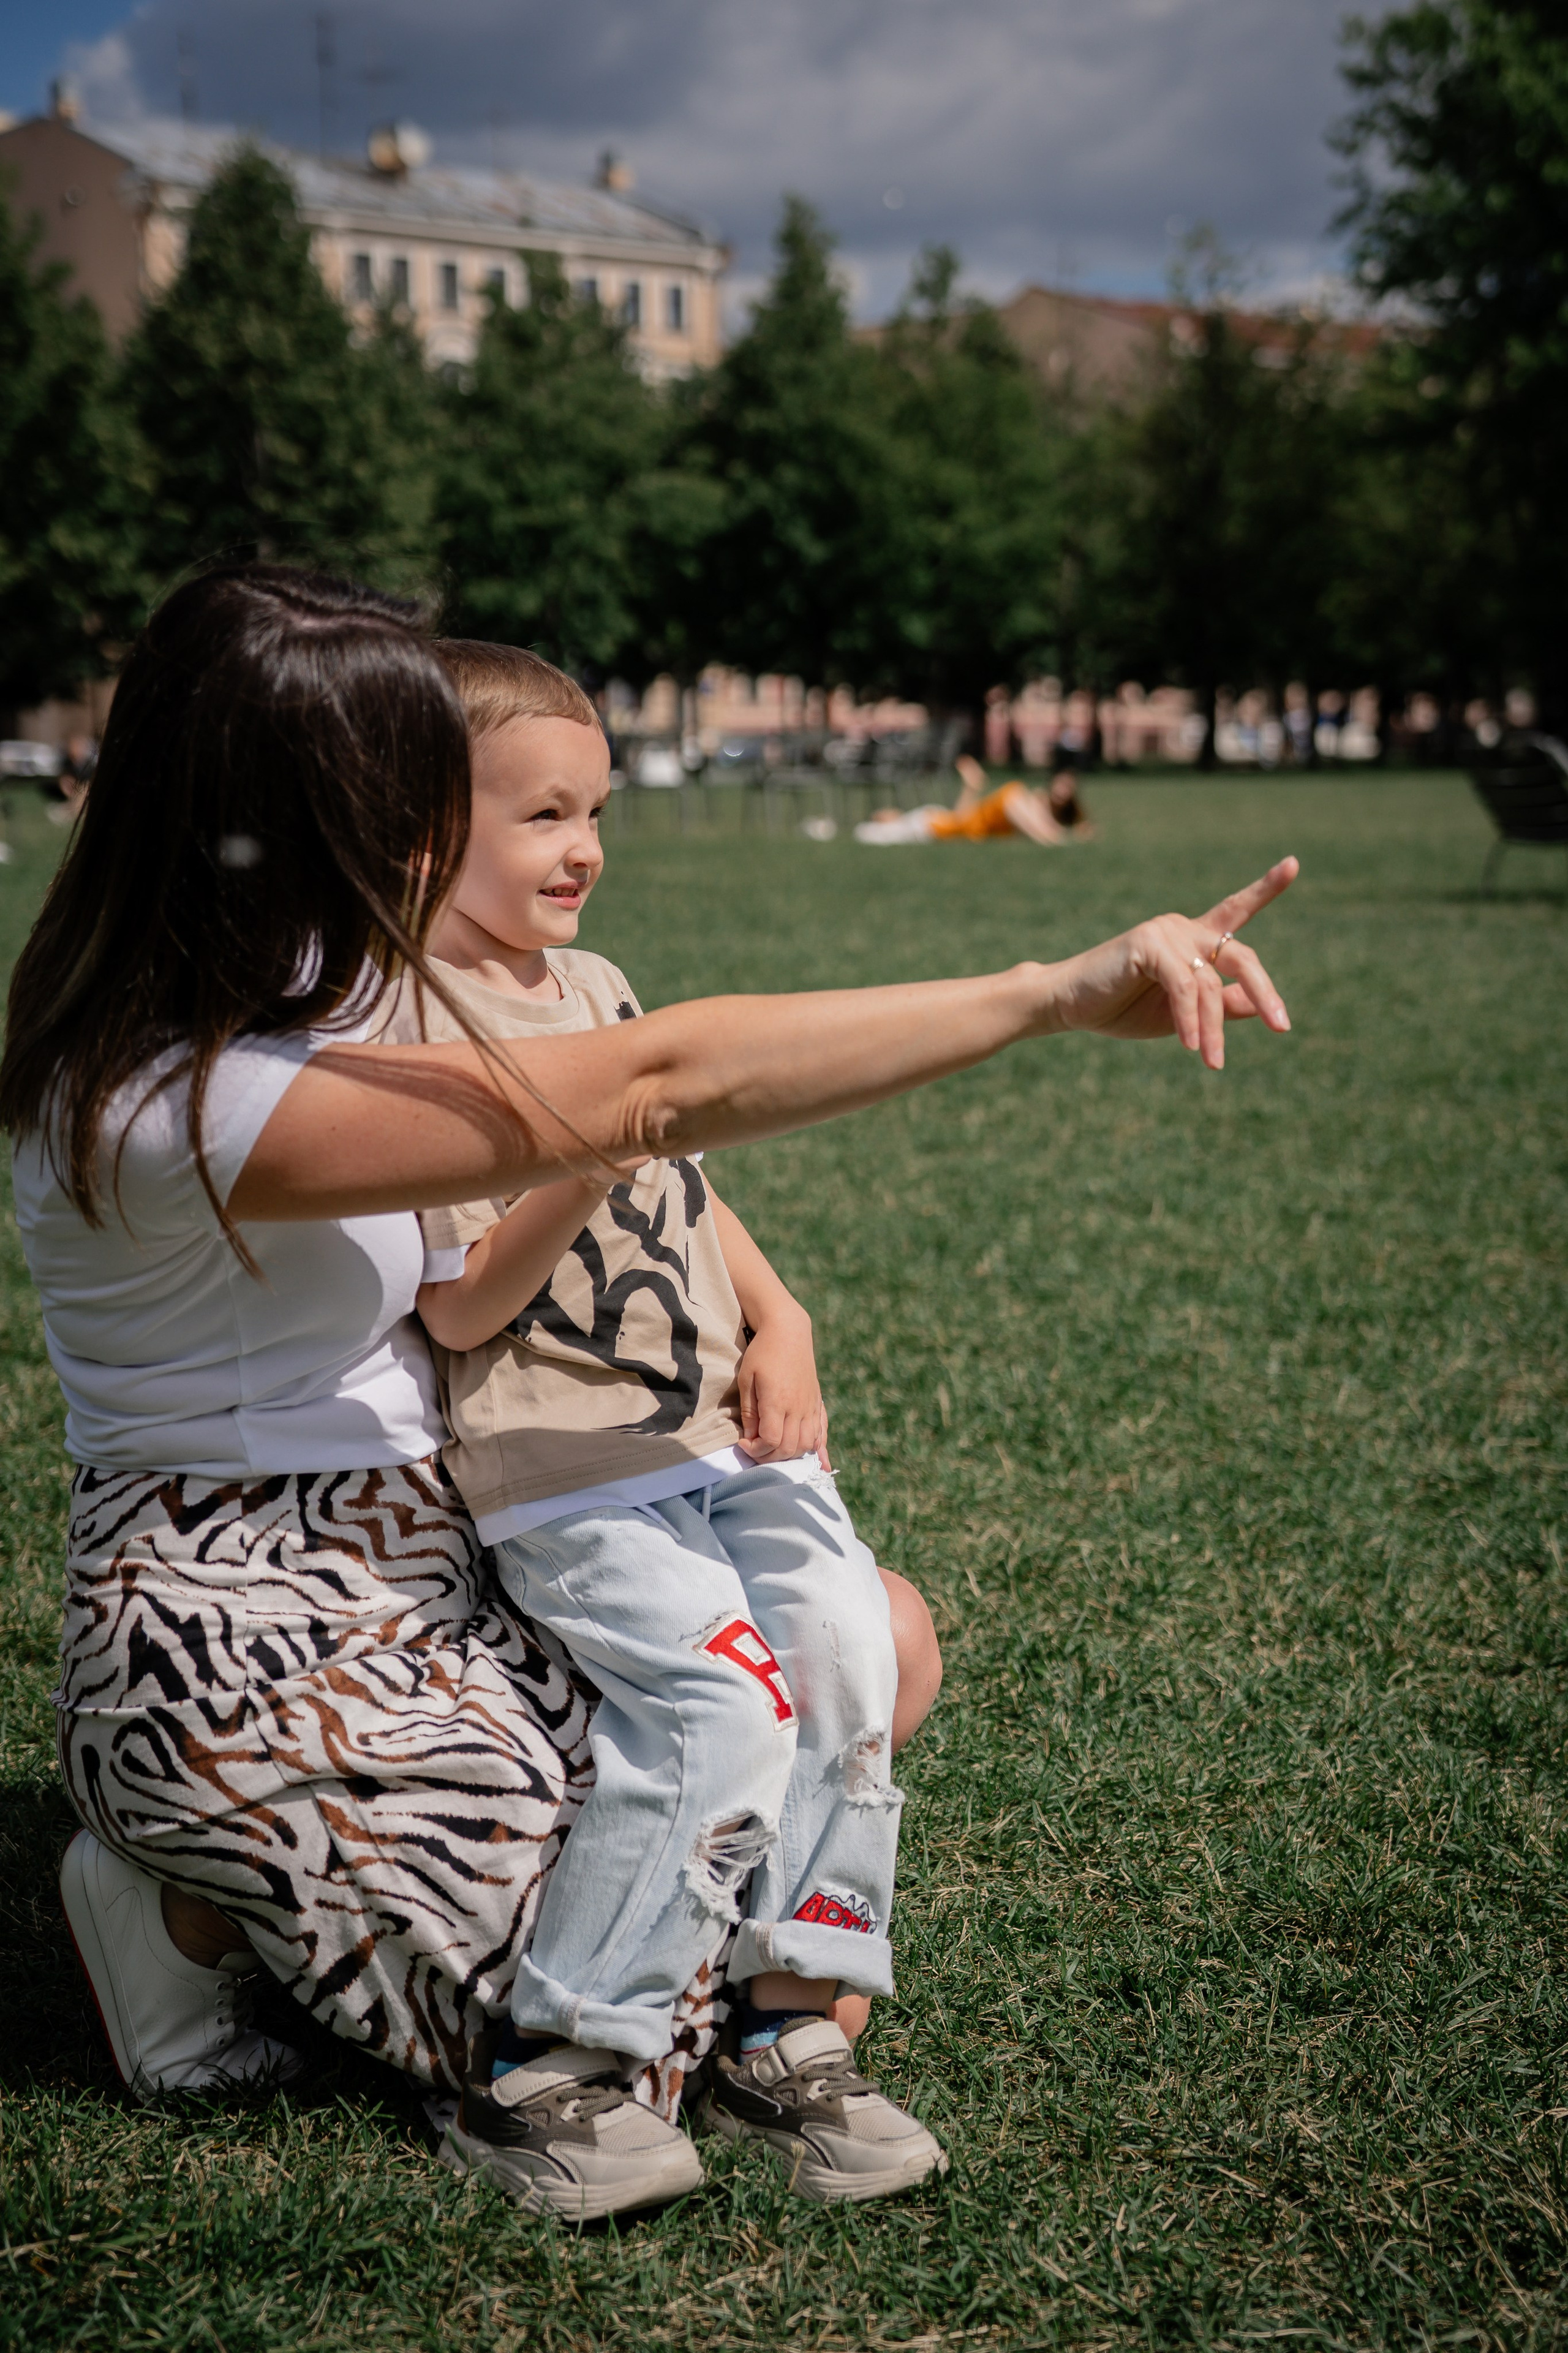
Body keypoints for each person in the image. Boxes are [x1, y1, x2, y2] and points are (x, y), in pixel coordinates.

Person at [0, 565, 1295, 2224]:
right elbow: (651, 1086)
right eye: (402, 785)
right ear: (290, 806)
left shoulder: (319, 962)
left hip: (449, 1547)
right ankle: (182, 1893)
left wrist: (777, 1307)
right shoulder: (171, 1095)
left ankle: (269, 1890)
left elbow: (628, 1132)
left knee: (862, 1652)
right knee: (643, 2015)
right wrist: (1048, 992)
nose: (437, 822)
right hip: (244, 1620)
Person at [390, 640, 941, 2208]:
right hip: (567, 1470)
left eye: (596, 809)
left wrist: (781, 1312)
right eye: (545, 816)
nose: (586, 848)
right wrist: (590, 1133)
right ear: (427, 830)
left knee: (844, 1640)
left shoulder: (597, 987)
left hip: (716, 1435)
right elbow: (456, 1309)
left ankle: (786, 2022)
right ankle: (550, 2065)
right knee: (720, 1701)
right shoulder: (418, 1040)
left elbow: (679, 1174)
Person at [854, 755, 1094, 847]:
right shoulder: (1019, 799)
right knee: (864, 834)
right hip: (931, 826)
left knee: (890, 823)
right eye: (1061, 785)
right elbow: (1044, 834)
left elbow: (1062, 825)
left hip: (944, 821)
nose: (1062, 792)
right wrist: (1061, 838)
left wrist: (1078, 828)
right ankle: (887, 817)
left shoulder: (1035, 802)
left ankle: (972, 786)